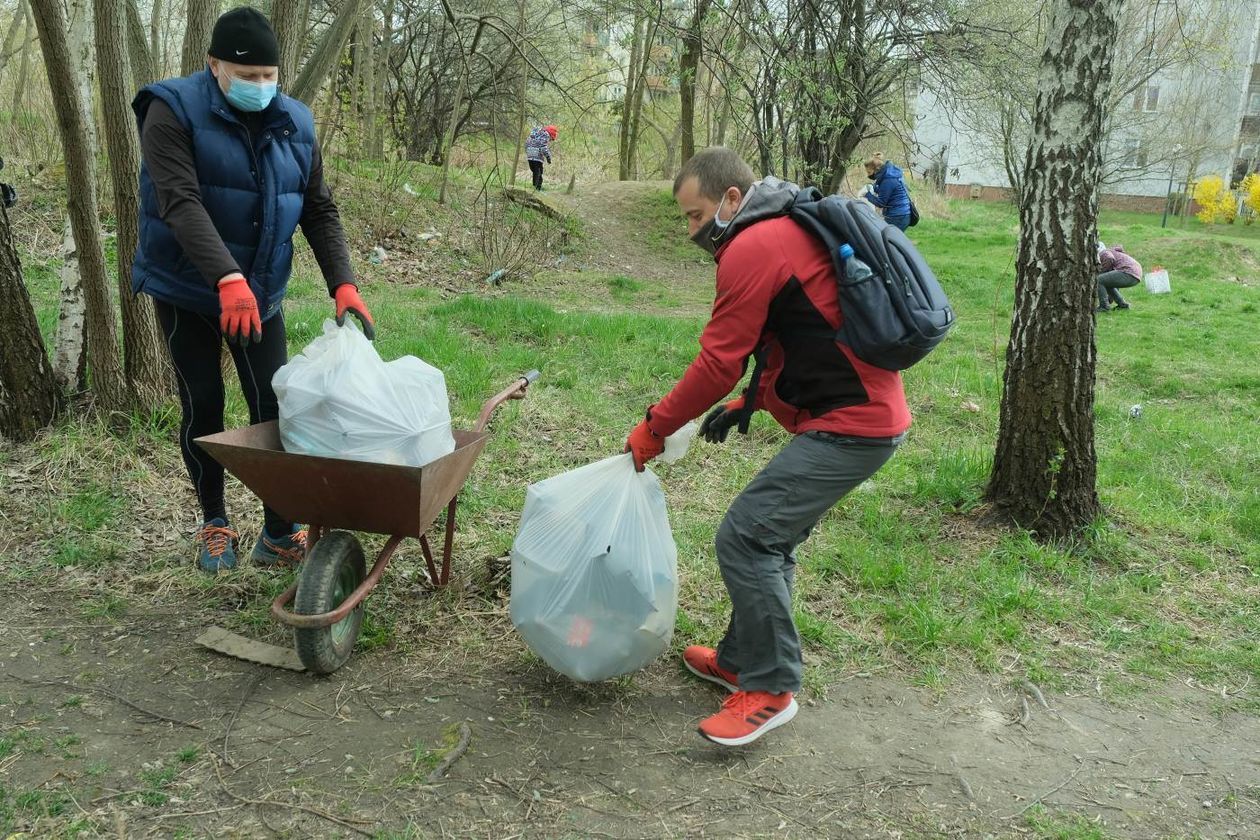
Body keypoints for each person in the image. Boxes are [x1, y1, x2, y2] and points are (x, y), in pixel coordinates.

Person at [624, 148, 910, 746]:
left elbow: (717, 362)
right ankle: (739, 661)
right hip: (856, 417)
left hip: (854, 426)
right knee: (768, 539)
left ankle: (772, 689)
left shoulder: (753, 245)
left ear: (732, 199)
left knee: (748, 536)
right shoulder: (779, 230)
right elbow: (801, 330)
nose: (691, 231)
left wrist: (655, 427)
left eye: (695, 215)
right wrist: (750, 404)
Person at [131, 7, 374, 574]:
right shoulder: (170, 111)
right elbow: (180, 202)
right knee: (205, 405)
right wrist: (225, 277)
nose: (261, 86)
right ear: (213, 65)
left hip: (259, 292)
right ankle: (214, 522)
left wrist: (343, 282)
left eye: (269, 75)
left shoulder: (296, 123)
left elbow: (318, 208)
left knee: (276, 404)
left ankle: (278, 530)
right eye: (248, 76)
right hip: (187, 288)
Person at [862, 152, 912, 230]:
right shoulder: (890, 173)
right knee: (890, 239)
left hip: (897, 216)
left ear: (876, 170)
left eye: (869, 172)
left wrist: (867, 195)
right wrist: (873, 187)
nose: (868, 175)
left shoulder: (888, 179)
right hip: (902, 214)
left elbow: (881, 202)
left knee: (888, 239)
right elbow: (886, 191)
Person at [1096, 242, 1141, 311]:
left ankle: (1104, 306)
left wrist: (1102, 271)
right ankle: (1123, 305)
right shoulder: (1112, 252)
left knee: (1099, 280)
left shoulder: (1103, 252)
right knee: (1106, 281)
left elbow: (1109, 258)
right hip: (1135, 273)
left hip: (1129, 272)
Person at [525, 125, 557, 190]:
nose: (550, 141)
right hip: (537, 155)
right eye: (551, 139)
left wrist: (528, 152)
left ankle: (535, 186)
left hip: (529, 153)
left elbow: (527, 142)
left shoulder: (535, 133)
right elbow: (543, 147)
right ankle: (538, 188)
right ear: (551, 134)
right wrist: (548, 157)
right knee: (539, 171)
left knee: (535, 171)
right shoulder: (546, 135)